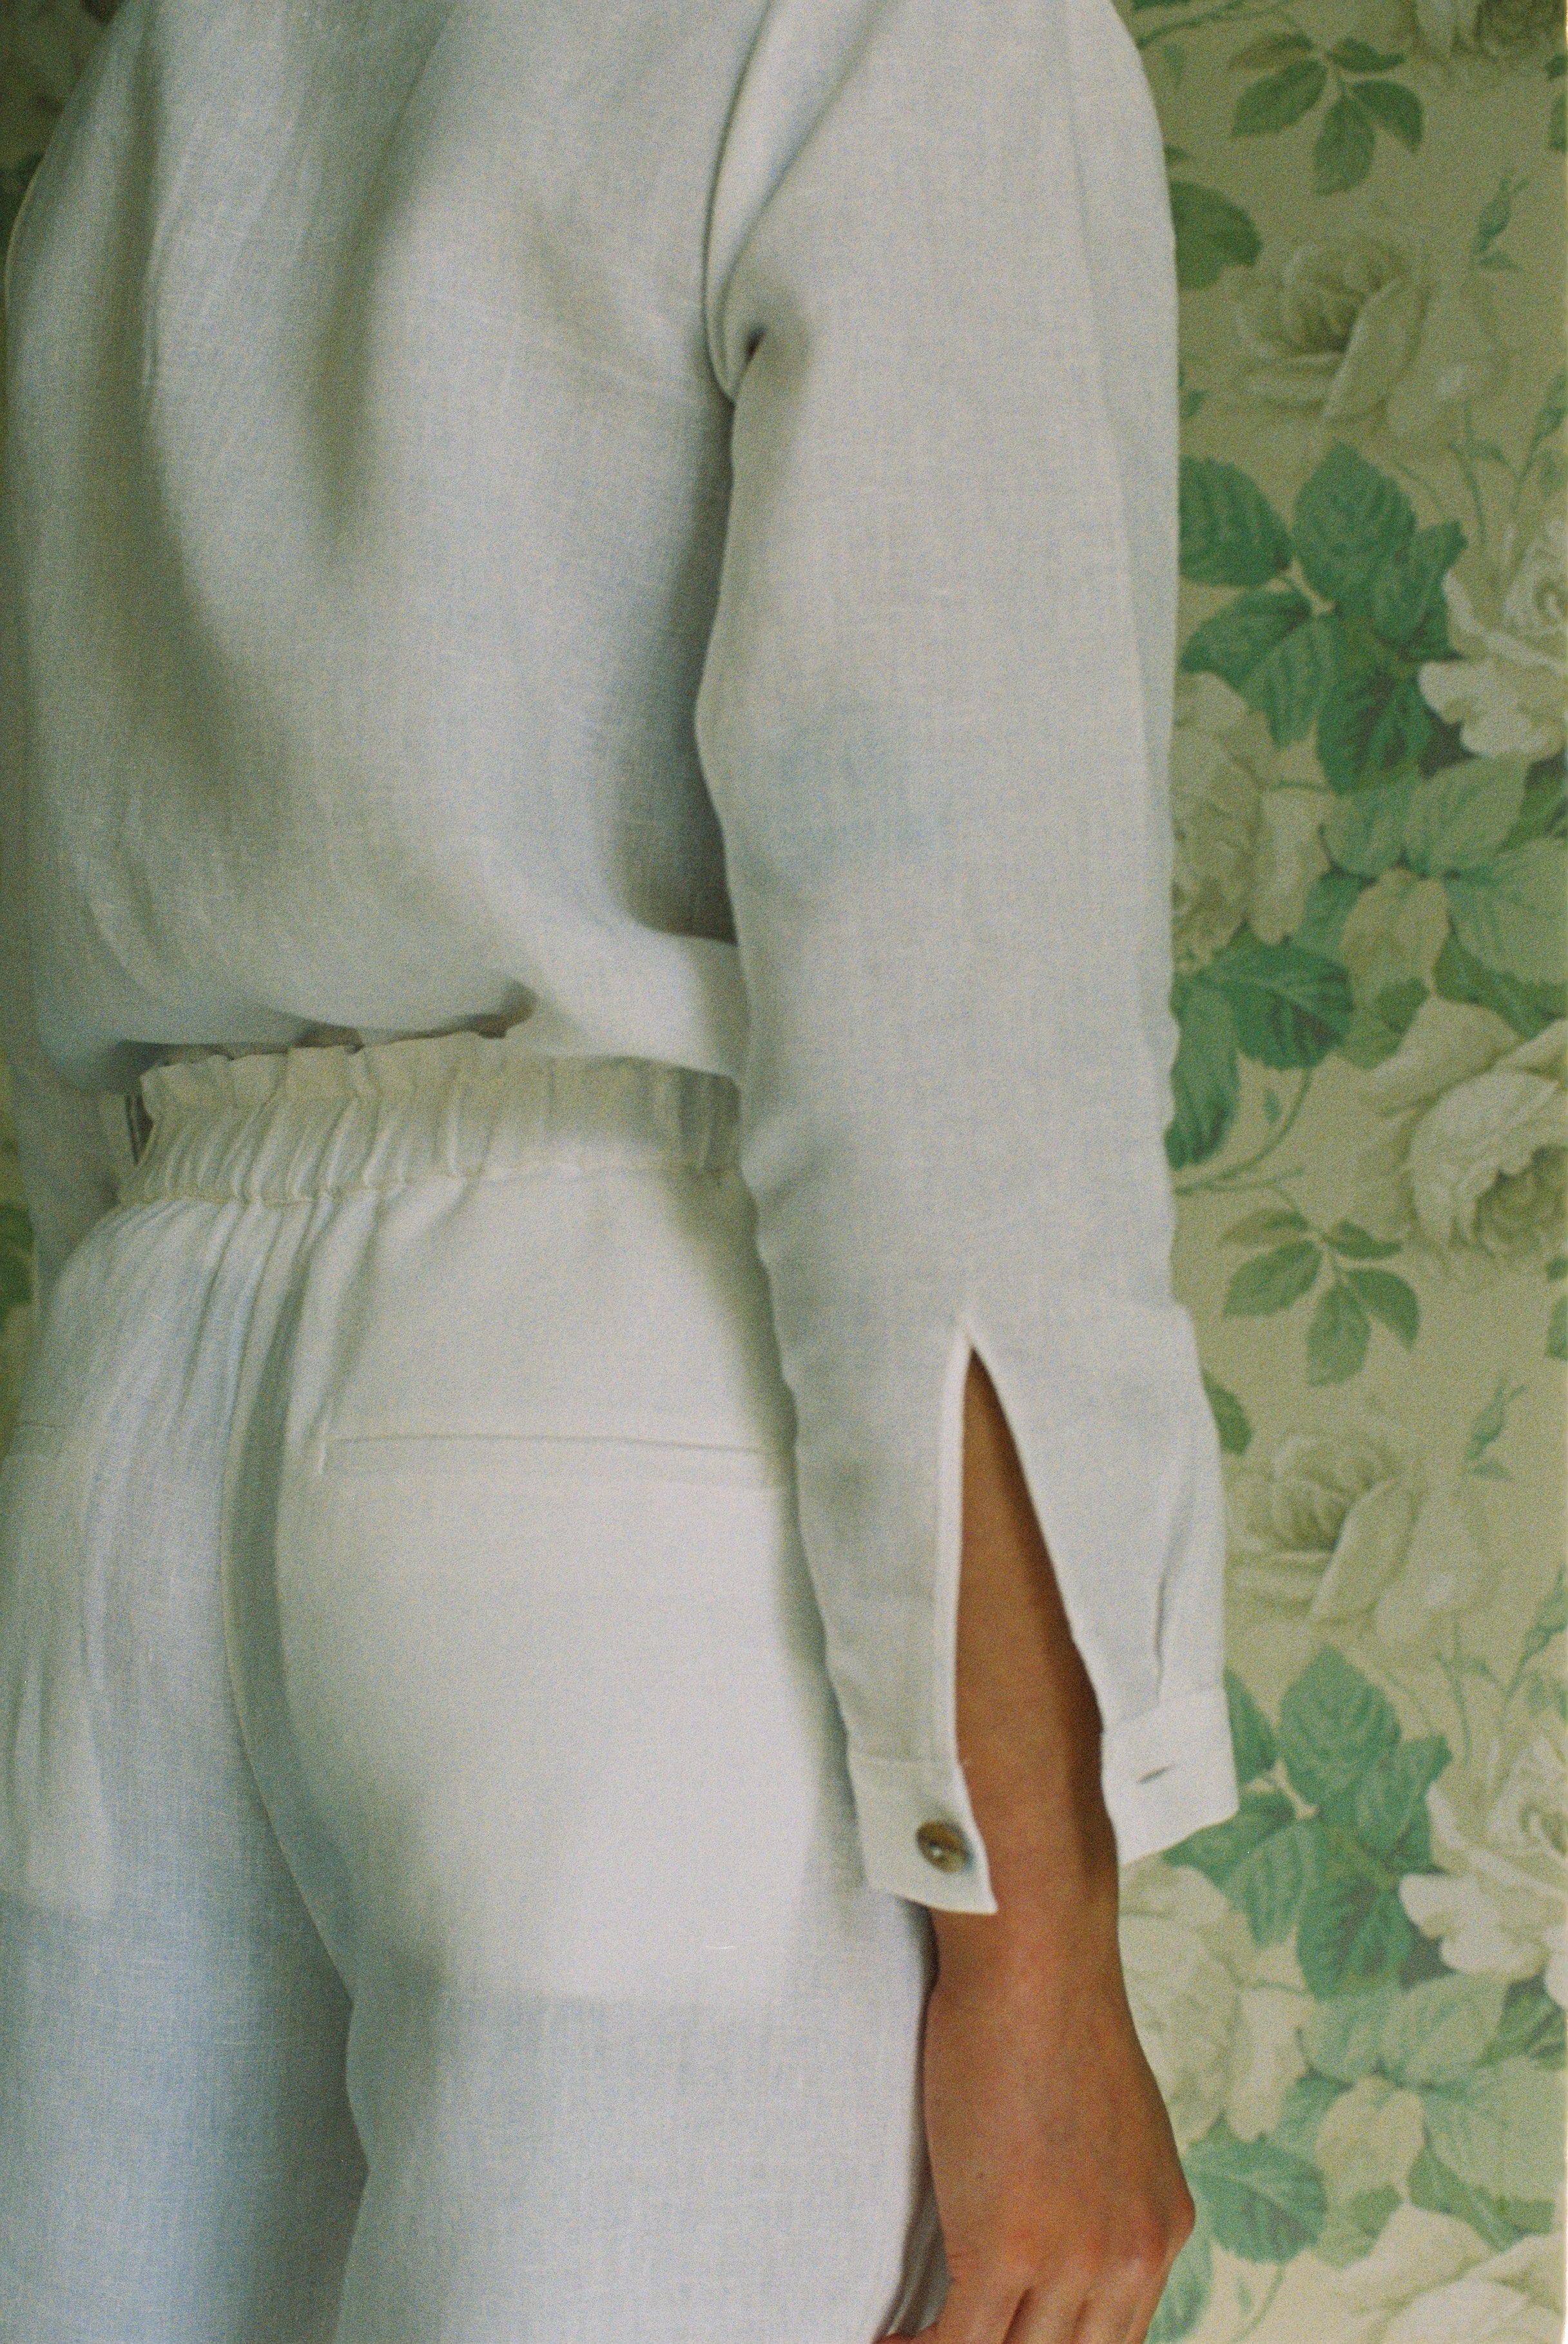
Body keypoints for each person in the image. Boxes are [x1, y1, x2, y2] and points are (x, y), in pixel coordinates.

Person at [0, 0, 1241, 2338]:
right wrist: (1039, 1959)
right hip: (619, 1435)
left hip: (127, 1424)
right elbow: (948, 1019)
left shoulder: (174, 57)